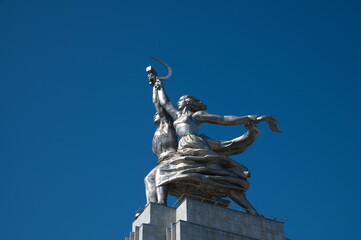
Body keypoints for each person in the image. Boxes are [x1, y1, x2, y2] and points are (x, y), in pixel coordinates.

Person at [152, 80, 281, 214]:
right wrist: (158, 86)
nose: (178, 102)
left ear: (188, 102)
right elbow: (165, 103)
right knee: (171, 171)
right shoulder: (177, 115)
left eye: (181, 100)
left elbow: (224, 119)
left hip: (195, 144)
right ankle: (161, 203)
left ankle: (250, 209)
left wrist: (246, 118)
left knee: (215, 173)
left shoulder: (197, 115)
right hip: (183, 147)